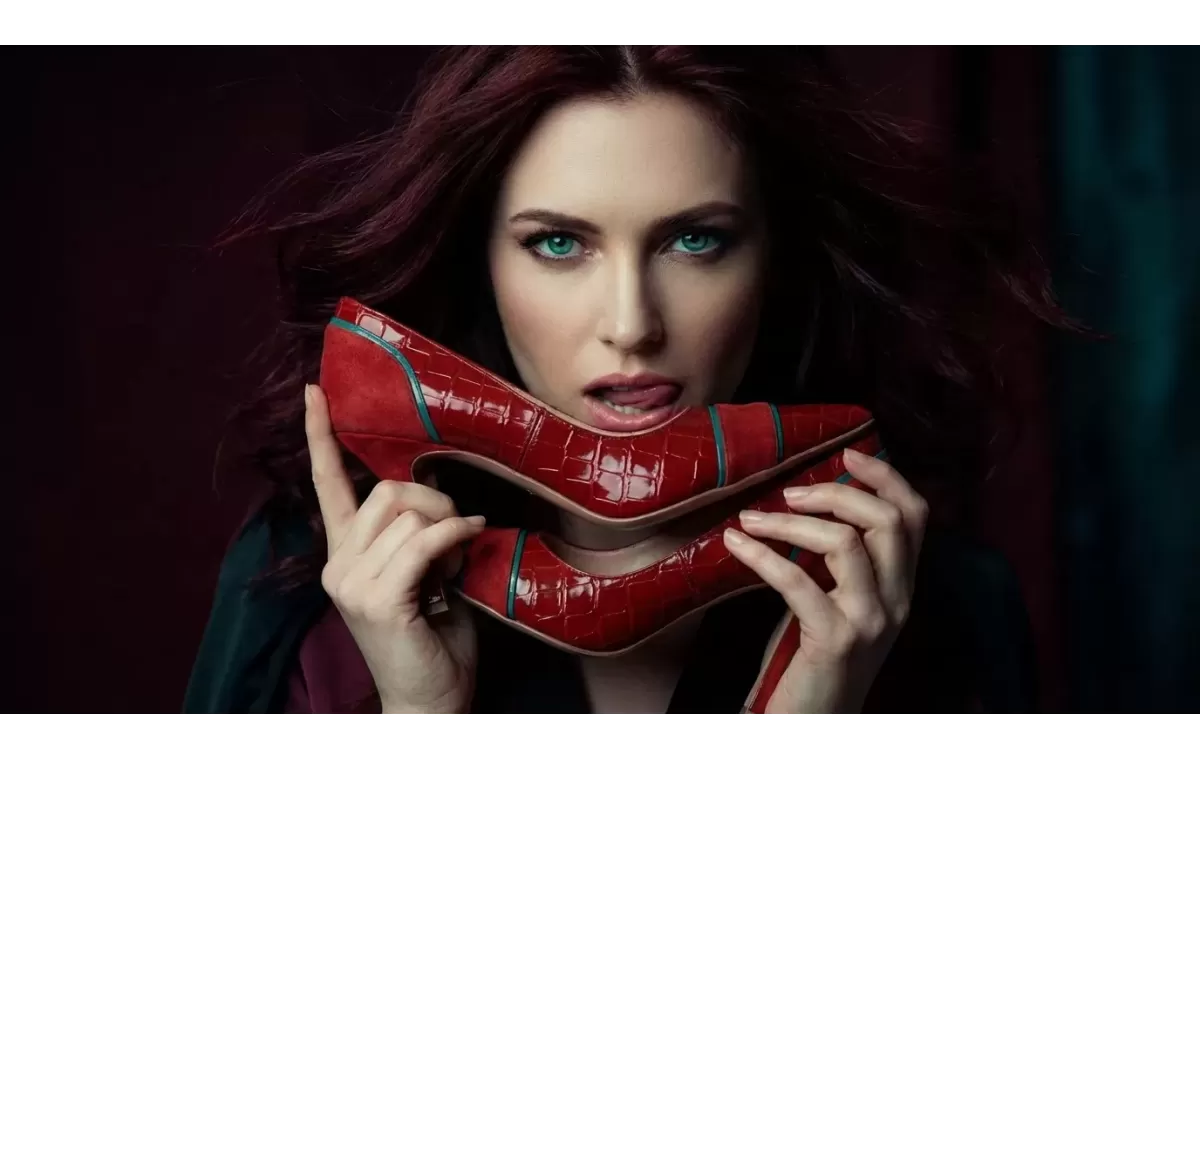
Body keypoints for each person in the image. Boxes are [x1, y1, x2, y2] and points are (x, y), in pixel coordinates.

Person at [185, 44, 1092, 715]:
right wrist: (421, 710)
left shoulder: (945, 607)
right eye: (558, 243)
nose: (631, 324)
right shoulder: (307, 587)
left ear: (776, 260)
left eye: (696, 240)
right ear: (479, 263)